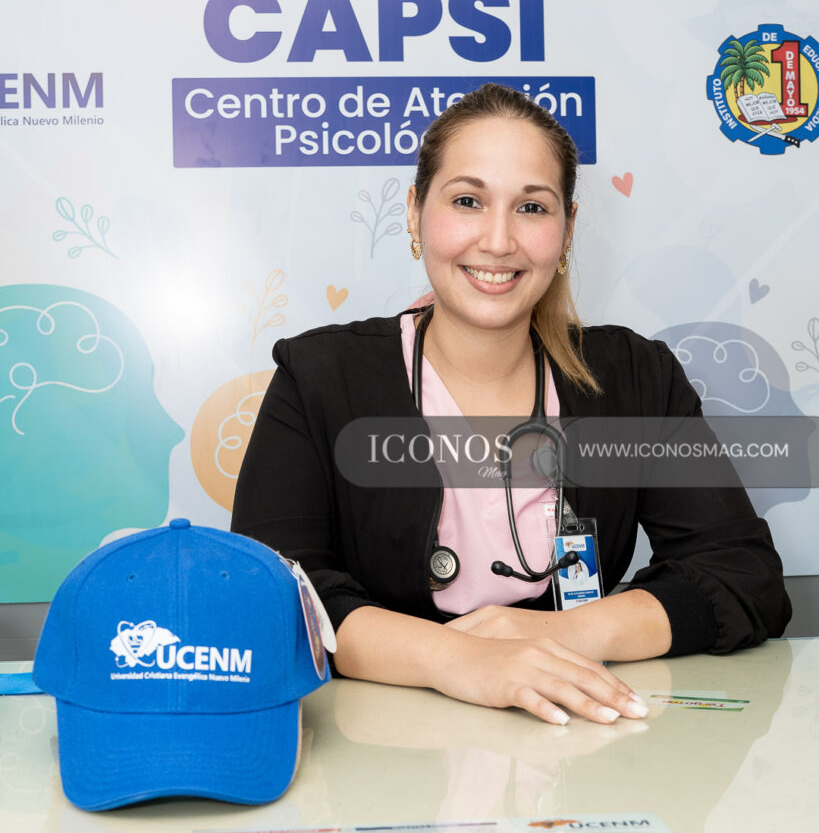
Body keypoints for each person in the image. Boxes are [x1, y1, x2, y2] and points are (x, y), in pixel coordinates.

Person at [232, 84, 790, 726]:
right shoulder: (320, 376)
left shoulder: (636, 377)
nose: (498, 241)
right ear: (415, 212)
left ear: (568, 228)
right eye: (467, 201)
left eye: (532, 207)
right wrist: (456, 660)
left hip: (579, 751)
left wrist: (565, 636)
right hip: (383, 758)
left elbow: (743, 577)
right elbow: (269, 595)